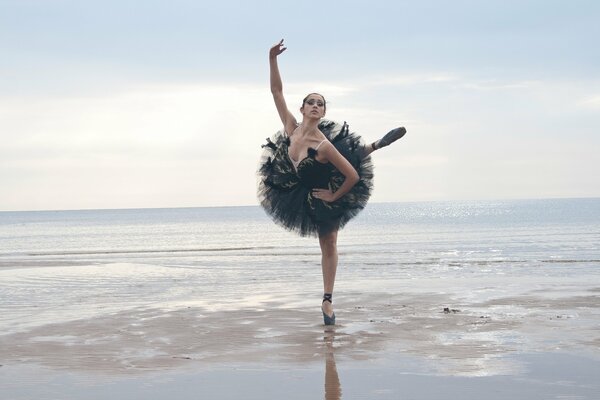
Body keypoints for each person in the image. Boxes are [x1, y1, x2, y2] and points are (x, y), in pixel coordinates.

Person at [258, 39, 406, 325]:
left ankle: (327, 300)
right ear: (302, 109)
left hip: (326, 187)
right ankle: (374, 144)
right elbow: (276, 91)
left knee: (329, 244)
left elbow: (351, 175)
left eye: (320, 104)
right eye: (311, 102)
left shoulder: (322, 144)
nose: (315, 105)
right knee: (347, 154)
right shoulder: (291, 129)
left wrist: (334, 196)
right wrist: (272, 58)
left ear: (323, 113)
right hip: (301, 182)